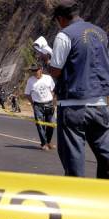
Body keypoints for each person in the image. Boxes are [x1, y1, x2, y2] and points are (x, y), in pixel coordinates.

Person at [47, 0, 109, 178]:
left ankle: (78, 200)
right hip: (100, 104)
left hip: (74, 106)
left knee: (74, 162)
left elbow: (56, 70)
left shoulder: (64, 35)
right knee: (105, 155)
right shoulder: (101, 33)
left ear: (60, 18)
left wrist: (47, 61)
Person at [25, 63, 56, 151]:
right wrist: (33, 103)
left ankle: (48, 141)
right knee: (40, 125)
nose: (35, 72)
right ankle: (44, 143)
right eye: (33, 71)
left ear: (41, 69)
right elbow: (27, 94)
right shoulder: (30, 81)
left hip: (49, 104)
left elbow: (53, 90)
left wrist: (53, 101)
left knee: (51, 124)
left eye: (36, 70)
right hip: (38, 105)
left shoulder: (48, 78)